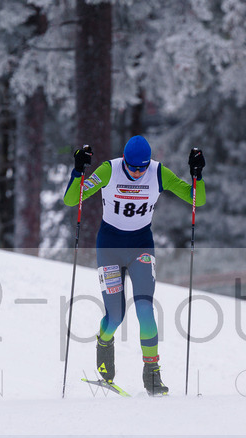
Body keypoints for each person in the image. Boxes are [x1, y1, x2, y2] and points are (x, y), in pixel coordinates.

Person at [63, 135, 205, 397]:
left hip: (141, 246)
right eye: (133, 167)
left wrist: (197, 175)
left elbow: (197, 200)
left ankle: (152, 373)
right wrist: (78, 171)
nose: (138, 172)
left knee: (145, 309)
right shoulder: (110, 169)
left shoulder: (158, 172)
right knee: (116, 315)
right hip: (109, 248)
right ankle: (104, 341)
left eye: (142, 167)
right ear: (125, 161)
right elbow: (73, 200)